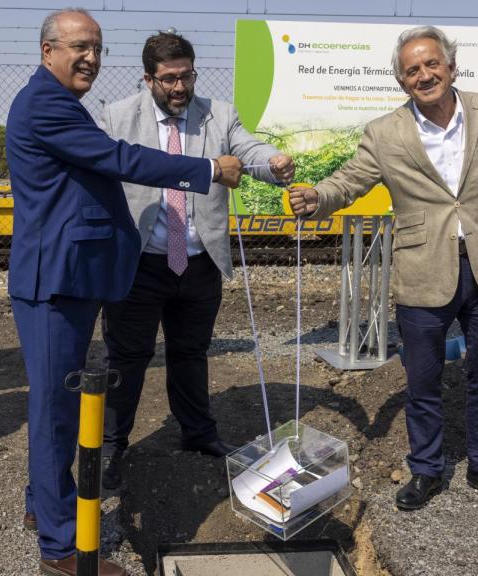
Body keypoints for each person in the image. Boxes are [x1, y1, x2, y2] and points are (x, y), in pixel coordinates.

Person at [5, 9, 243, 576]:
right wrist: (205, 168)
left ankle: (44, 505)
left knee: (57, 406)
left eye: (97, 47)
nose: (90, 57)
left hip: (71, 274)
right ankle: (63, 549)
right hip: (54, 278)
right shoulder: (46, 102)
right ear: (47, 51)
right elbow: (119, 159)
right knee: (55, 408)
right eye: (78, 46)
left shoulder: (60, 101)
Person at [288, 25, 478, 515]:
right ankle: (425, 469)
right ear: (402, 82)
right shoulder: (385, 132)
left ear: (450, 66)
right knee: (421, 382)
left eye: (431, 64)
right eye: (412, 70)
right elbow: (351, 180)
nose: (424, 75)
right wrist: (318, 198)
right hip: (423, 271)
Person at [97, 32, 295, 490]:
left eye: (186, 76)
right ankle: (112, 444)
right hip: (140, 264)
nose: (180, 87)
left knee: (191, 353)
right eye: (169, 79)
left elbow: (248, 151)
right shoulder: (116, 117)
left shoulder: (218, 114)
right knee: (126, 357)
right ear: (148, 79)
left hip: (198, 261)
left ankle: (198, 433)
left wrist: (276, 162)